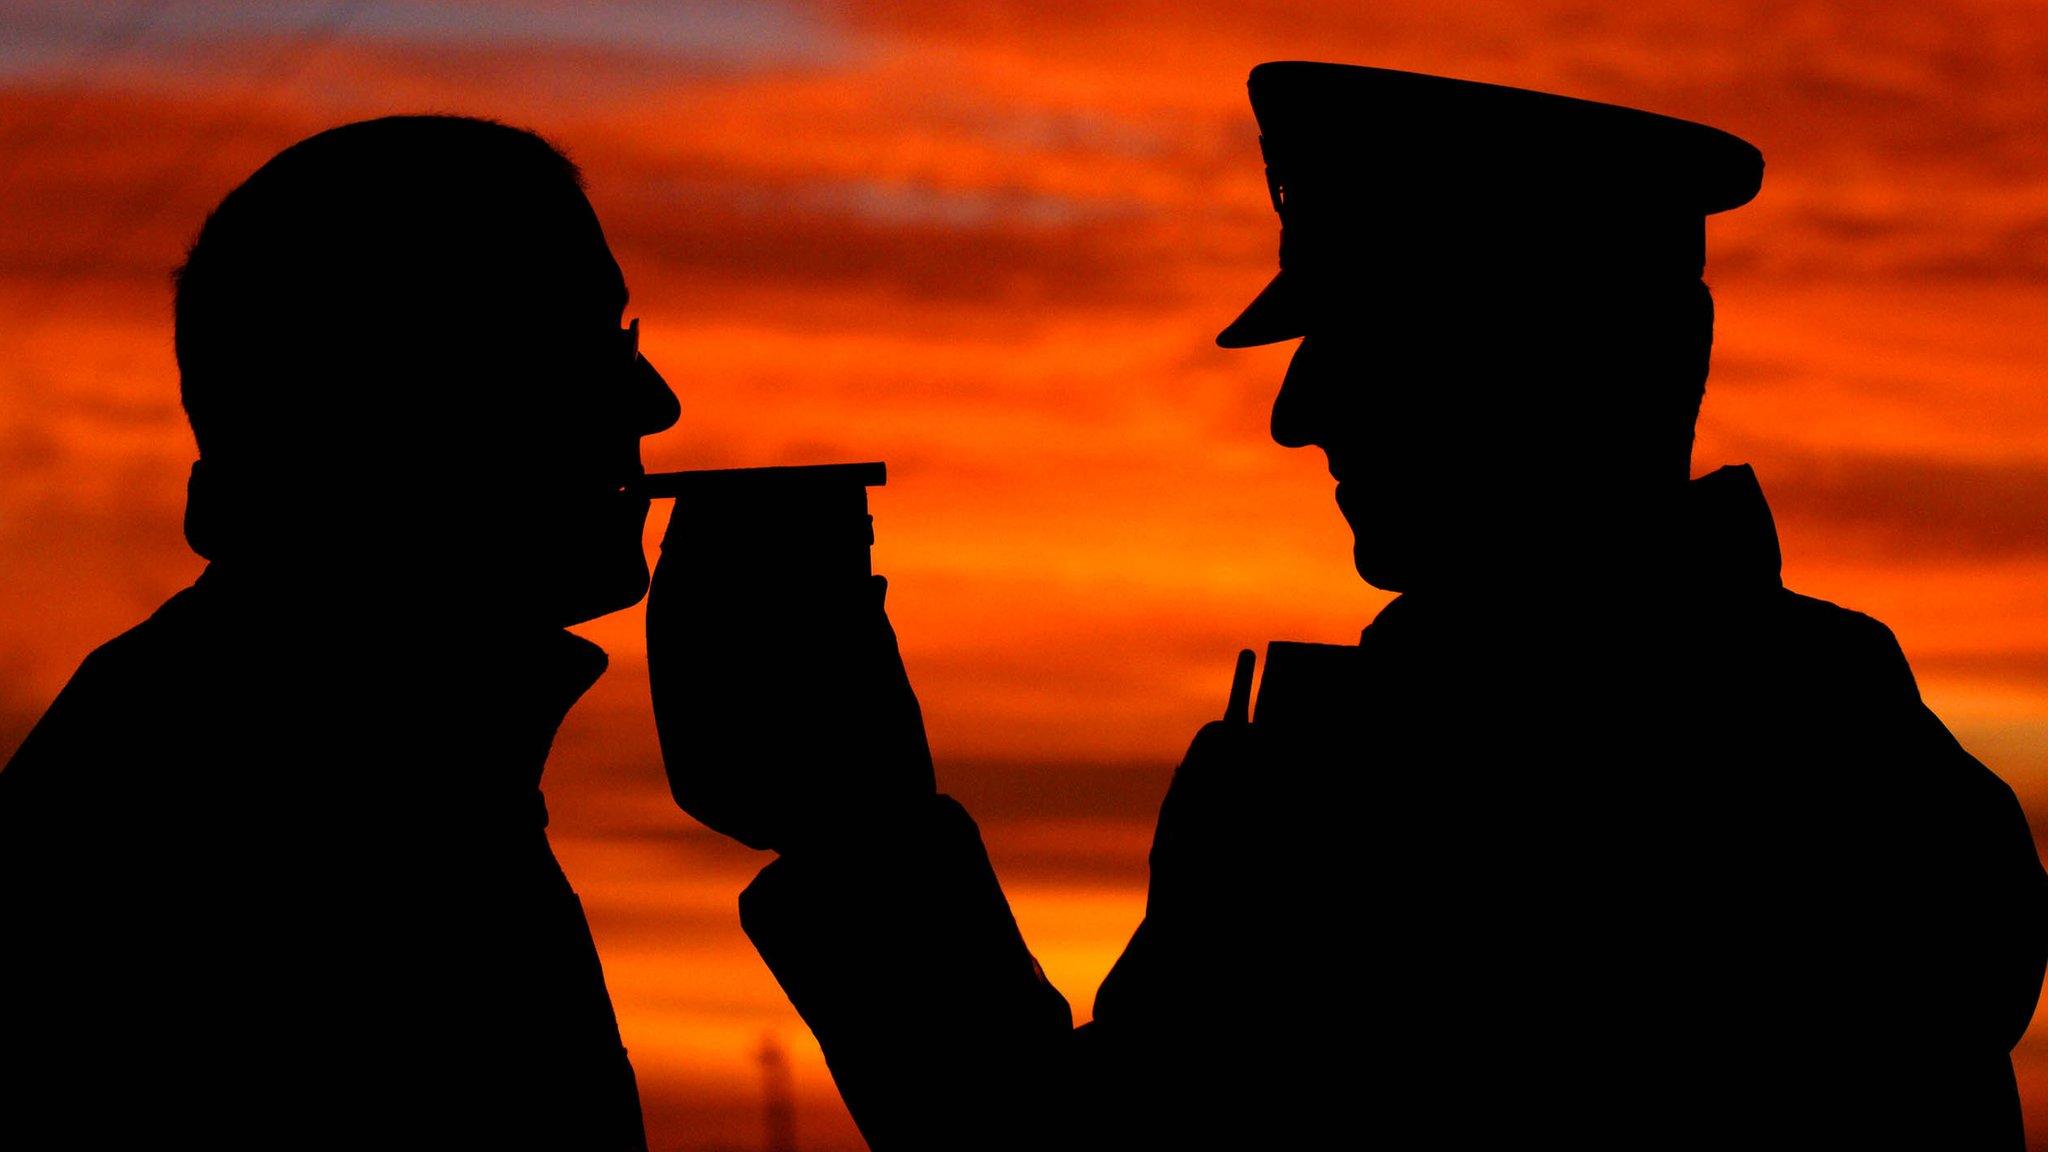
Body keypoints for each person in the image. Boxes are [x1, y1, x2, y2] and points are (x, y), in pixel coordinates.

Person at [655, 63, 2048, 1148]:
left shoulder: (1617, 778)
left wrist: (861, 839)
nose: (1295, 412)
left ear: (1548, 360)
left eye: (1364, 343)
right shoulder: (1801, 732)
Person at [0, 115, 679, 1148]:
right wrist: (856, 838)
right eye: (579, 341)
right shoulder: (254, 811)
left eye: (621, 339)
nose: (655, 402)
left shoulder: (389, 760)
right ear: (408, 390)